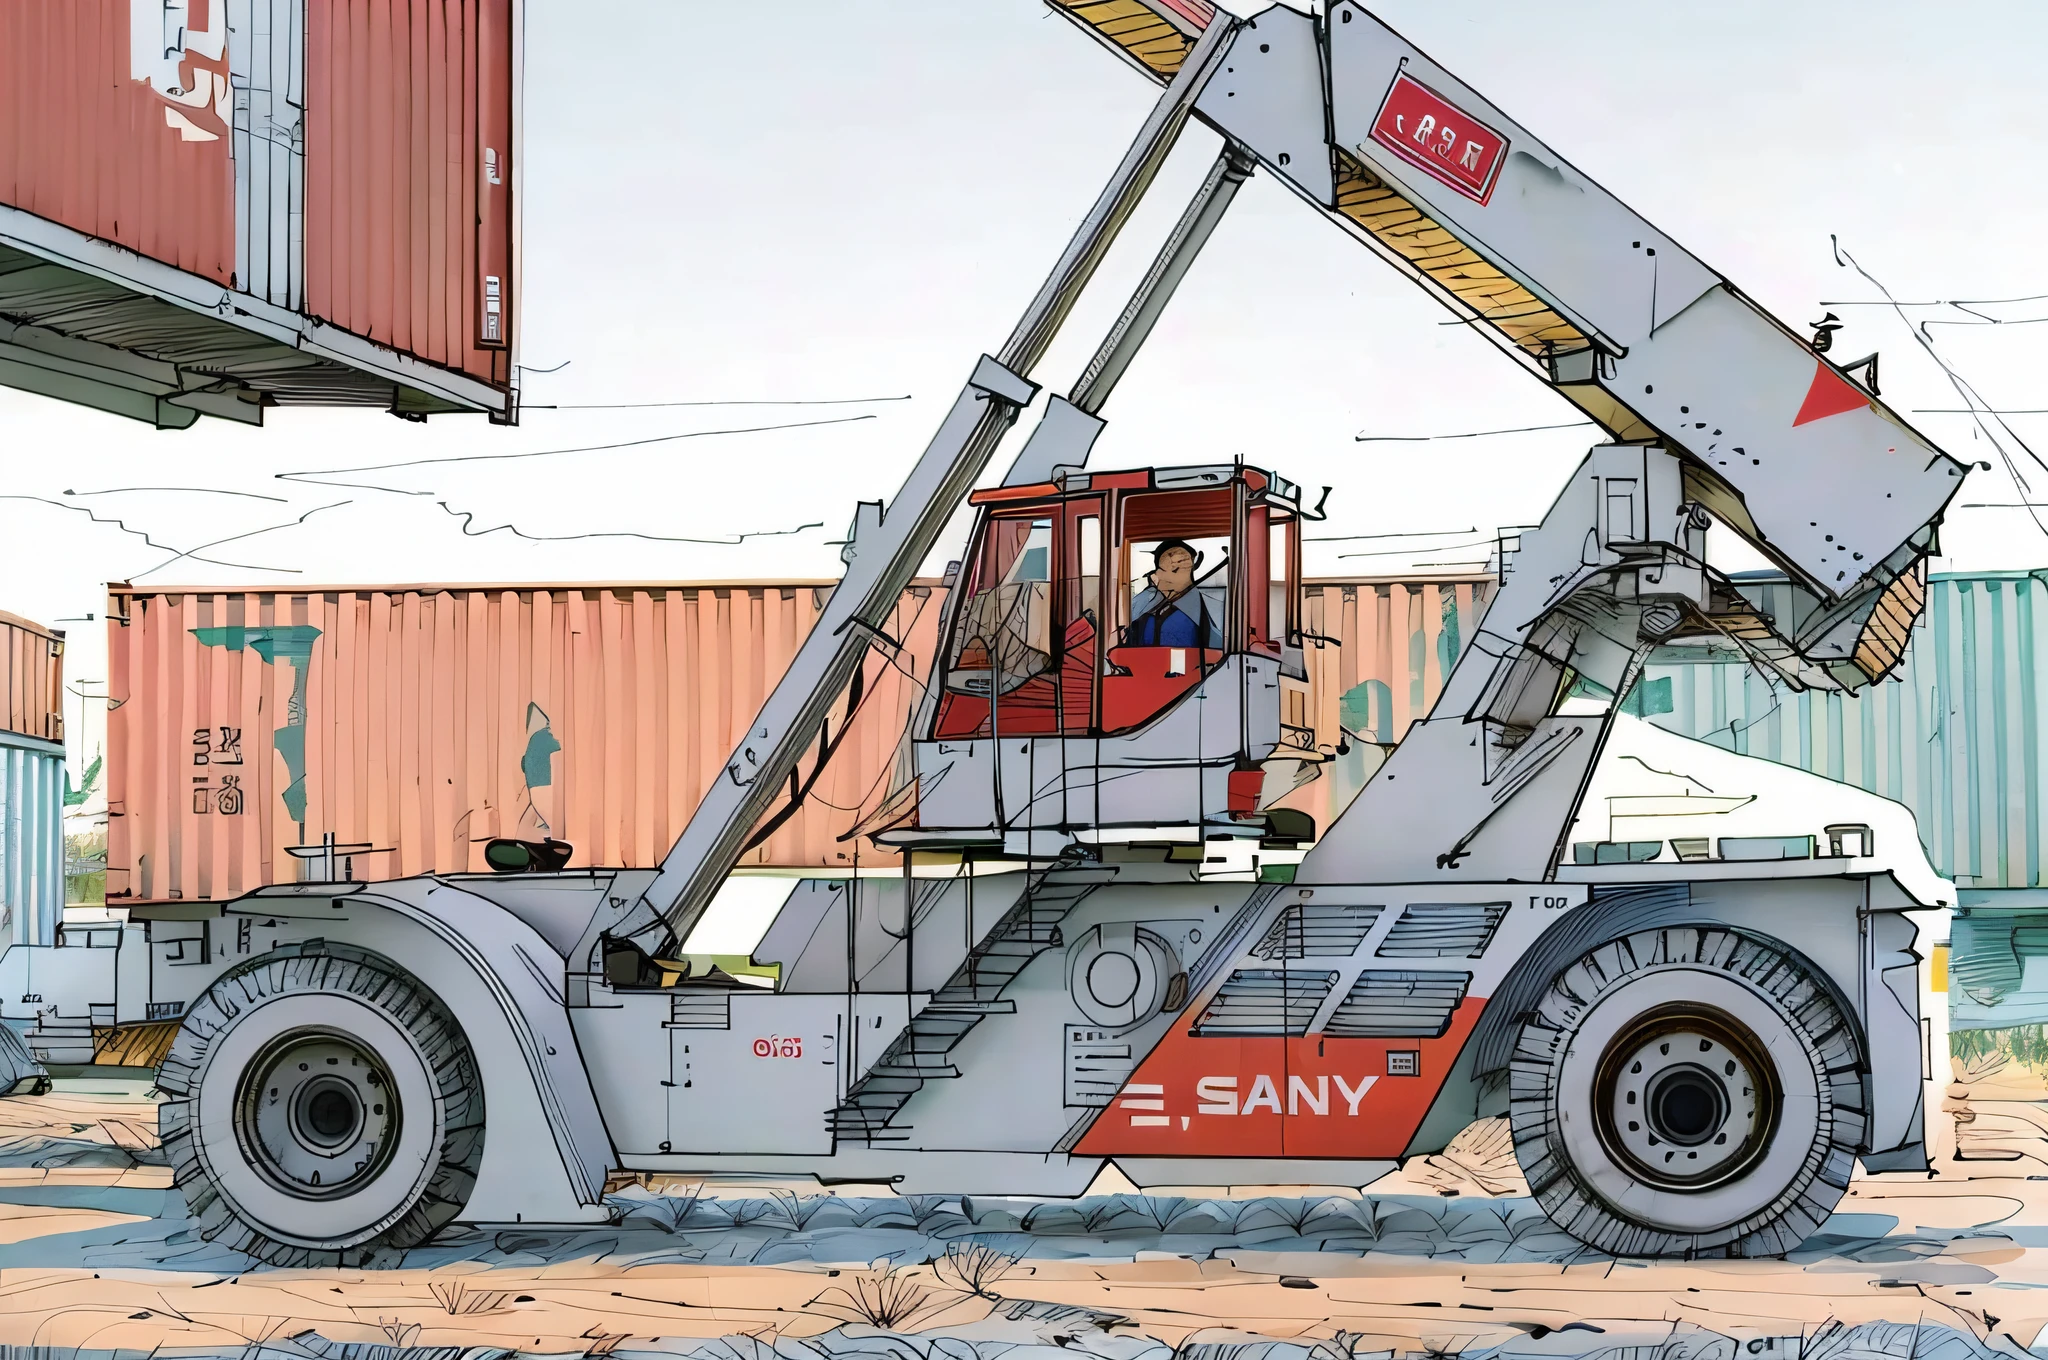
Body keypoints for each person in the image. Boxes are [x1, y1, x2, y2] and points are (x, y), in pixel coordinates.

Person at [1124, 539, 1224, 649]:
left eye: (1180, 567)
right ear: (1158, 572)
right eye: (1169, 568)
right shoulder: (1143, 605)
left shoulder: (1211, 609)